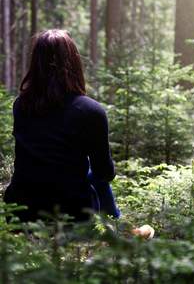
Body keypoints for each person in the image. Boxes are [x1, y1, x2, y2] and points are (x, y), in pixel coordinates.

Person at [4, 29, 120, 222]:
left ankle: (118, 225)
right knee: (93, 173)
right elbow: (105, 173)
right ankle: (118, 226)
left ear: (36, 64)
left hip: (20, 212)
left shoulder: (21, 105)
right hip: (72, 214)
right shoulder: (91, 110)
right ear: (74, 62)